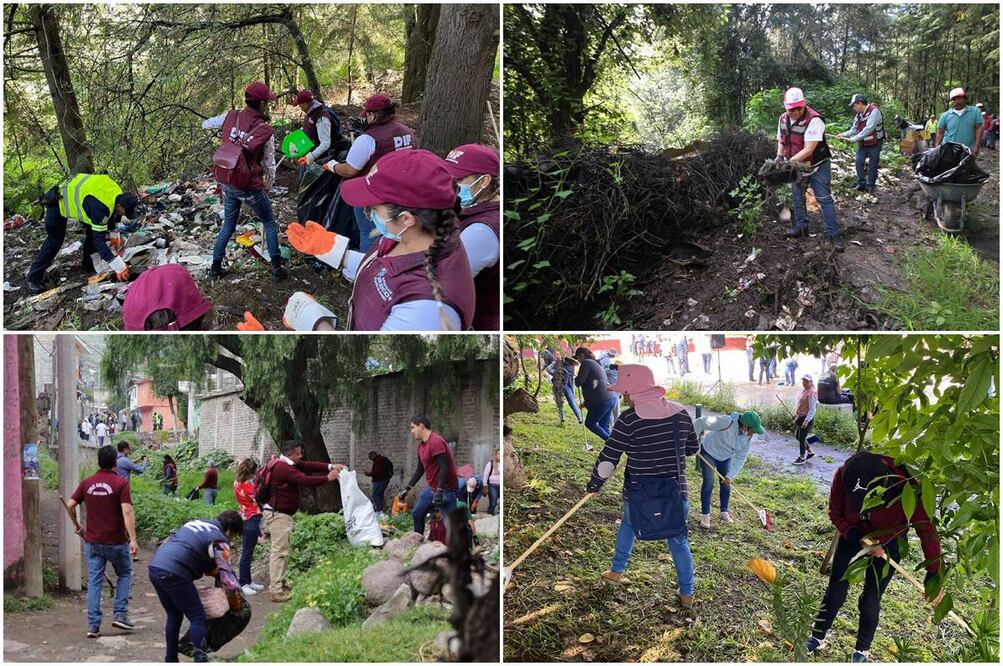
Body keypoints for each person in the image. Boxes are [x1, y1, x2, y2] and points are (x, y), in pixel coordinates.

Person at [287, 150, 476, 331]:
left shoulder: (427, 309)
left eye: (374, 209)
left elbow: (370, 354)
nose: (368, 212)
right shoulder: (409, 236)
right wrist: (336, 252)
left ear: (406, 219)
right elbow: (383, 271)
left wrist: (313, 322)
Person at [806, 451, 943, 663]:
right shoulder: (844, 474)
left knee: (871, 598)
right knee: (836, 589)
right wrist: (854, 535)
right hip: (852, 536)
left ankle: (862, 651)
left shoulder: (906, 486)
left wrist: (933, 573)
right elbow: (835, 512)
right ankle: (817, 637)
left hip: (889, 542)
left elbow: (926, 530)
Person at [584, 364, 700, 608]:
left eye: (624, 391)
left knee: (628, 524)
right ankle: (687, 593)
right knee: (678, 540)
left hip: (639, 493)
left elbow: (609, 457)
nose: (622, 396)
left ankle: (616, 572)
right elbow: (693, 449)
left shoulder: (629, 419)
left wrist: (595, 484)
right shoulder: (681, 413)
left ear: (632, 391)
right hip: (676, 492)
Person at [203, 81, 287, 282]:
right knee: (268, 222)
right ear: (262, 104)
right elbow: (269, 162)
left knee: (228, 225)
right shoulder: (264, 130)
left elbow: (205, 124)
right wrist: (269, 184)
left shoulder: (231, 116)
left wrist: (230, 135)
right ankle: (277, 268)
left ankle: (215, 268)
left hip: (227, 181)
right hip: (249, 185)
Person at [148, 511, 245, 662]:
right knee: (198, 617)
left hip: (156, 567)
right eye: (234, 536)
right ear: (229, 530)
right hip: (176, 572)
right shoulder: (220, 541)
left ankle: (171, 659)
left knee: (174, 614)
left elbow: (189, 549)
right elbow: (227, 580)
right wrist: (235, 601)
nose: (232, 540)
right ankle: (200, 659)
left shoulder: (195, 523)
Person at [326, 94, 416, 253]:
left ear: (372, 116)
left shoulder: (368, 139)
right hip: (403, 192)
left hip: (373, 195)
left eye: (367, 115)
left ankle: (367, 265)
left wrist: (333, 166)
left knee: (369, 234)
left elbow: (349, 170)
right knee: (398, 233)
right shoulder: (407, 132)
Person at [65, 445, 139, 638]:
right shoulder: (121, 483)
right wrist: (133, 539)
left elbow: (70, 505)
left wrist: (77, 525)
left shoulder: (87, 483)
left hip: (93, 542)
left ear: (98, 462)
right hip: (116, 542)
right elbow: (127, 511)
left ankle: (93, 626)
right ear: (115, 462)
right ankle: (120, 614)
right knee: (124, 574)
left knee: (94, 582)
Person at [25, 174, 139, 295]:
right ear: (119, 205)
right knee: (55, 240)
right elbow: (99, 241)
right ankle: (33, 279)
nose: (123, 215)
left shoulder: (116, 192)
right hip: (57, 202)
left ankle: (88, 263)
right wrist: (119, 266)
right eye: (124, 212)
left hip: (82, 199)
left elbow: (110, 215)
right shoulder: (100, 207)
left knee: (92, 231)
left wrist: (114, 235)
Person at [260, 440, 344, 601]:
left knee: (283, 550)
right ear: (289, 454)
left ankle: (280, 583)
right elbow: (304, 480)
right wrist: (328, 478)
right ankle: (276, 590)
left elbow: (309, 465)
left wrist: (330, 466)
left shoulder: (287, 463)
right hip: (278, 515)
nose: (300, 456)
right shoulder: (283, 468)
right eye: (297, 453)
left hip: (281, 514)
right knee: (279, 552)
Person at [778, 87, 844, 251]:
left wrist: (788, 163)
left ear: (804, 104)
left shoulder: (814, 120)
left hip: (817, 165)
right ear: (785, 106)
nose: (795, 112)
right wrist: (779, 157)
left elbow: (808, 150)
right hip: (798, 167)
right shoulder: (783, 119)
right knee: (797, 198)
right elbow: (781, 141)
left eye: (798, 108)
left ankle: (834, 235)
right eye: (791, 109)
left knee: (824, 199)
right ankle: (801, 228)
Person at [444, 143, 501, 330]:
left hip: (476, 323)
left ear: (484, 181)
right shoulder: (471, 209)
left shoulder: (481, 231)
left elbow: (443, 278)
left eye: (458, 179)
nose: (450, 185)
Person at [694, 411, 765, 529]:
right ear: (745, 426)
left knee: (726, 484)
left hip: (725, 458)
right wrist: (694, 443)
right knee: (709, 483)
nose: (754, 433)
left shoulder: (747, 438)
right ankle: (705, 514)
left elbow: (741, 458)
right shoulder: (726, 421)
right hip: (708, 453)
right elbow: (700, 422)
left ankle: (724, 511)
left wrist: (730, 476)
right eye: (753, 430)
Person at [398, 415, 460, 535]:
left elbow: (444, 468)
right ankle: (418, 540)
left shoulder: (436, 441)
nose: (411, 431)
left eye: (413, 427)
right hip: (432, 489)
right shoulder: (421, 447)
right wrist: (407, 488)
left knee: (451, 525)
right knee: (417, 513)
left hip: (447, 490)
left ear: (421, 426)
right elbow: (419, 470)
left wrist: (440, 491)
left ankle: (464, 544)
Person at [232, 459, 266, 596]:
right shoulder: (248, 486)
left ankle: (248, 581)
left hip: (244, 516)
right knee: (247, 553)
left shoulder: (236, 482)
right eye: (255, 471)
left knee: (248, 551)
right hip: (252, 518)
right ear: (250, 472)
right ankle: (243, 583)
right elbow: (260, 499)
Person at [839, 94, 884, 193]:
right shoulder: (859, 115)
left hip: (875, 142)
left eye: (854, 105)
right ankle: (861, 183)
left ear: (859, 103)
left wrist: (855, 138)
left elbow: (869, 129)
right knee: (858, 162)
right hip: (863, 142)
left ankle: (870, 186)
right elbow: (854, 129)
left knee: (873, 165)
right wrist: (844, 134)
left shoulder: (874, 111)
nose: (853, 108)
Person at [292, 89, 343, 176]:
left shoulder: (322, 118)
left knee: (313, 178)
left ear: (305, 104)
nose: (300, 107)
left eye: (300, 105)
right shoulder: (311, 112)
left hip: (321, 157)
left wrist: (309, 157)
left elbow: (325, 144)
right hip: (310, 151)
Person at [574, 347, 618, 441]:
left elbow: (580, 381)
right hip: (610, 397)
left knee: (590, 423)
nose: (578, 361)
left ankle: (613, 444)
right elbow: (595, 385)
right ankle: (611, 446)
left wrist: (575, 379)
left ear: (581, 356)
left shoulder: (586, 363)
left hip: (602, 399)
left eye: (577, 358)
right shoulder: (596, 363)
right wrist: (585, 403)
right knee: (604, 426)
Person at [934, 87, 983, 156]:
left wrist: (977, 147)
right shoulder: (945, 115)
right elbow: (940, 132)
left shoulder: (975, 112)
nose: (957, 101)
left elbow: (978, 128)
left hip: (968, 150)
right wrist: (936, 149)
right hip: (949, 150)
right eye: (954, 99)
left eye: (959, 98)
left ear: (965, 99)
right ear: (951, 102)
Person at [547, 355, 582, 426]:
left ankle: (562, 418)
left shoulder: (558, 363)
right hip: (567, 386)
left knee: (559, 402)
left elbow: (548, 369)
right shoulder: (571, 367)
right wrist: (573, 391)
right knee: (572, 403)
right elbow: (572, 382)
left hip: (557, 384)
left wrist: (555, 374)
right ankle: (580, 419)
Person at [793, 373, 818, 465]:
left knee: (802, 438)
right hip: (800, 417)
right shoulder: (805, 390)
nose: (804, 383)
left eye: (807, 381)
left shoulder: (812, 393)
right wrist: (796, 415)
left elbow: (812, 409)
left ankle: (802, 457)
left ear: (811, 382)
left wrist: (806, 421)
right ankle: (810, 452)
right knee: (798, 436)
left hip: (806, 419)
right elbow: (800, 405)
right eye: (803, 381)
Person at [363, 449, 394, 515]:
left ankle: (379, 510)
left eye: (370, 457)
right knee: (380, 495)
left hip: (379, 481)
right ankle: (382, 510)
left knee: (375, 495)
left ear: (373, 455)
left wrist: (367, 473)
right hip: (385, 480)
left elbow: (376, 472)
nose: (370, 459)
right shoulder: (382, 459)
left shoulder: (378, 461)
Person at [482, 449, 501, 516]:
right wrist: (484, 486)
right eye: (498, 453)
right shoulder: (491, 464)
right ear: (496, 455)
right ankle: (489, 516)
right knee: (493, 503)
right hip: (493, 486)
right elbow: (485, 476)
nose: (500, 455)